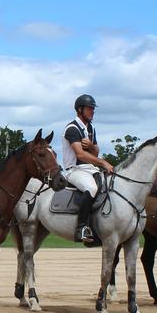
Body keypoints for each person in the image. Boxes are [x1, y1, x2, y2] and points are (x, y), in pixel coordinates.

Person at [62, 94, 115, 246]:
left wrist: (92, 147)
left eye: (93, 109)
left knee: (107, 186)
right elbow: (80, 154)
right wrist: (102, 162)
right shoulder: (72, 128)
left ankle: (98, 228)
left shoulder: (90, 128)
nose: (92, 111)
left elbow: (95, 151)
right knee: (91, 188)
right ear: (80, 109)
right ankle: (81, 228)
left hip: (89, 168)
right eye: (90, 108)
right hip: (74, 169)